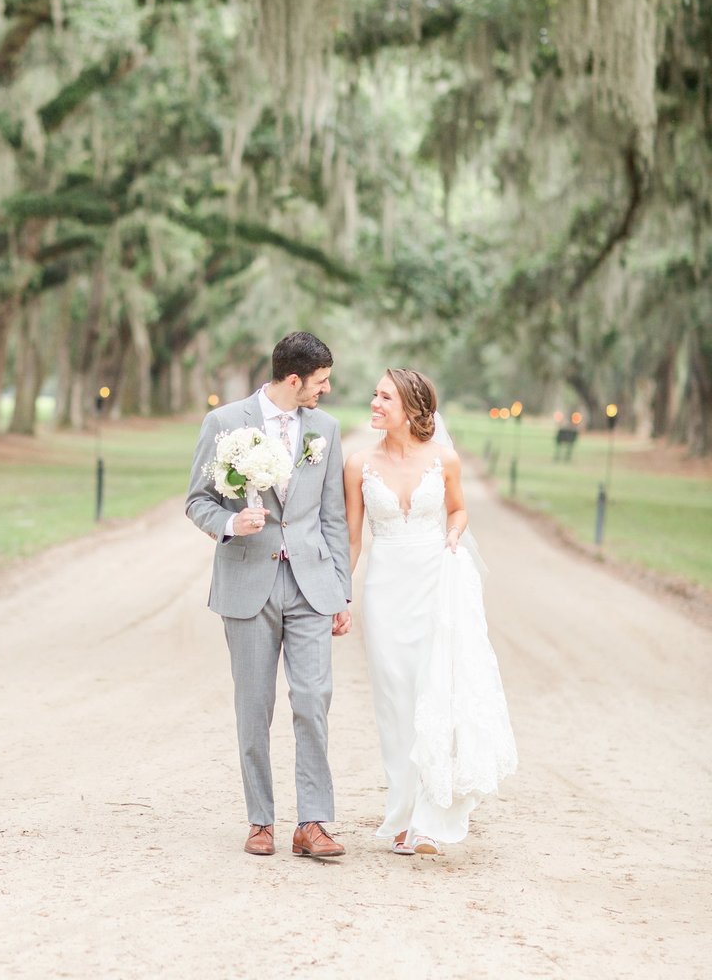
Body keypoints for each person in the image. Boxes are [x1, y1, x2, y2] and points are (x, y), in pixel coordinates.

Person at [186, 331, 352, 859]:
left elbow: (333, 517)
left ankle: (313, 822)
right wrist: (232, 521)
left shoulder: (325, 429)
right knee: (253, 706)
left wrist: (341, 592)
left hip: (310, 584)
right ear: (295, 379)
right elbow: (197, 501)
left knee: (312, 700)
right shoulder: (224, 423)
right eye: (321, 381)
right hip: (247, 583)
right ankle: (261, 820)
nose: (326, 390)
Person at [344, 368, 517, 855]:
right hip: (385, 587)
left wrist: (454, 532)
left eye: (384, 397)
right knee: (393, 700)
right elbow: (354, 539)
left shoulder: (445, 460)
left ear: (412, 409)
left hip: (432, 582)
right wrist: (343, 595)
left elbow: (459, 510)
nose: (374, 403)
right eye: (375, 395)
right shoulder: (358, 463)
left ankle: (427, 817)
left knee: (431, 692)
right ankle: (401, 812)